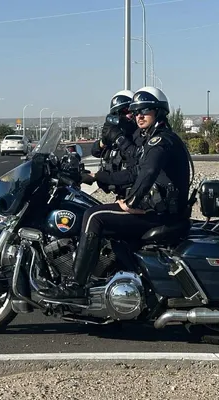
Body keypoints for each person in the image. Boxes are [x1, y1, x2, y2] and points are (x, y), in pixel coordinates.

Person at [38, 86, 192, 304]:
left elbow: (148, 172)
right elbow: (133, 172)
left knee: (93, 216)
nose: (138, 115)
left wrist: (131, 201)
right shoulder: (155, 138)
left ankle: (76, 285)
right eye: (136, 111)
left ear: (158, 112)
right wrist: (97, 176)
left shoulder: (160, 141)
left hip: (159, 213)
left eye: (145, 110)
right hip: (159, 209)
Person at [87, 90, 139, 199]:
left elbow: (135, 160)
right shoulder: (118, 134)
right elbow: (95, 151)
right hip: (121, 195)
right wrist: (105, 140)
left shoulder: (139, 136)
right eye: (122, 112)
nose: (127, 115)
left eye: (129, 110)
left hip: (135, 197)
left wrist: (119, 138)